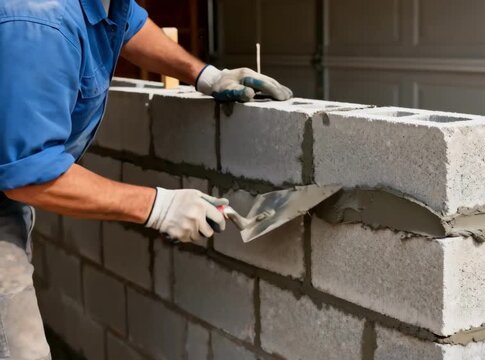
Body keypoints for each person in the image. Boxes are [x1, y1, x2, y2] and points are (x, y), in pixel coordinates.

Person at [0, 0, 293, 358]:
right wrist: (160, 206)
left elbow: (129, 26)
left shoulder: (104, 5)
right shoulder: (40, 22)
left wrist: (206, 75)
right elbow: (29, 173)